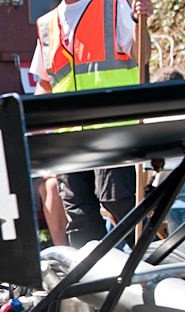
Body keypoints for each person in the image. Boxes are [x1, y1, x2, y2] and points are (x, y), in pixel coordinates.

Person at [29, 0, 154, 248]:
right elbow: (45, 84)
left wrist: (142, 21)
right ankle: (91, 280)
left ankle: (152, 260)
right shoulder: (48, 24)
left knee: (118, 200)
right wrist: (30, 121)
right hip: (69, 138)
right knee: (79, 216)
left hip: (111, 129)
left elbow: (143, 55)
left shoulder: (113, 6)